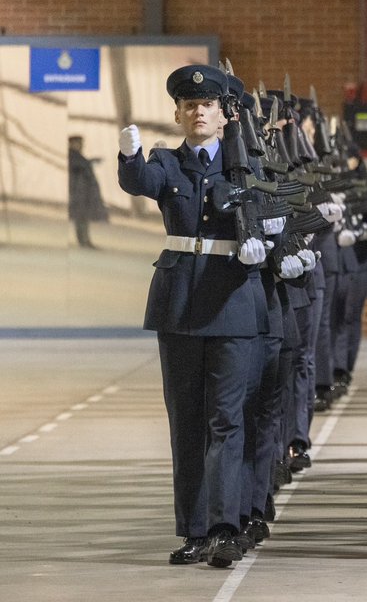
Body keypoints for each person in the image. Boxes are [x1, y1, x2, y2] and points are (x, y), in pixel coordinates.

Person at [117, 64, 270, 567]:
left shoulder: (247, 166)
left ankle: (228, 525)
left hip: (231, 302)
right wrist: (129, 154)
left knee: (226, 419)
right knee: (187, 420)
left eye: (206, 105)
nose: (197, 111)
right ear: (178, 113)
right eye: (188, 105)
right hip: (180, 304)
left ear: (225, 115)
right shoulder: (166, 161)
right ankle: (195, 529)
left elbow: (276, 217)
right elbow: (140, 180)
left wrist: (269, 245)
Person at [68, 135, 107, 248]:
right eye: (78, 143)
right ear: (72, 143)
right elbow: (77, 166)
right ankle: (83, 240)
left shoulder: (77, 155)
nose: (80, 145)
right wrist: (90, 162)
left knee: (83, 217)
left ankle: (84, 240)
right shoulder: (72, 155)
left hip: (83, 191)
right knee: (81, 217)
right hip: (78, 192)